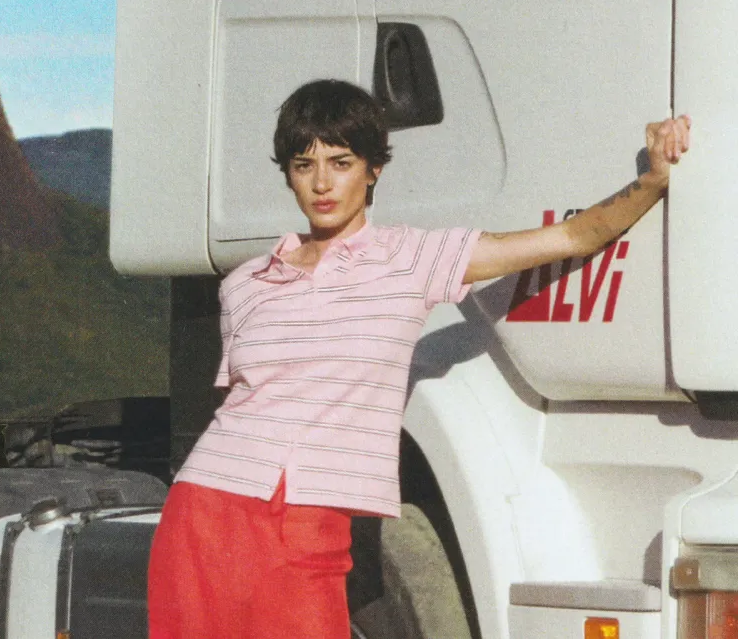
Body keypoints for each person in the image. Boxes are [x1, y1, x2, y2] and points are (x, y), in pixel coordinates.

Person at [146, 79, 691, 639]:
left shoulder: (411, 257)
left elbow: (573, 237)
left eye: (341, 162)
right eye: (304, 165)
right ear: (287, 174)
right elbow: (241, 404)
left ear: (373, 170)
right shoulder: (246, 283)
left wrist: (651, 180)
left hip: (313, 522)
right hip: (204, 514)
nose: (322, 183)